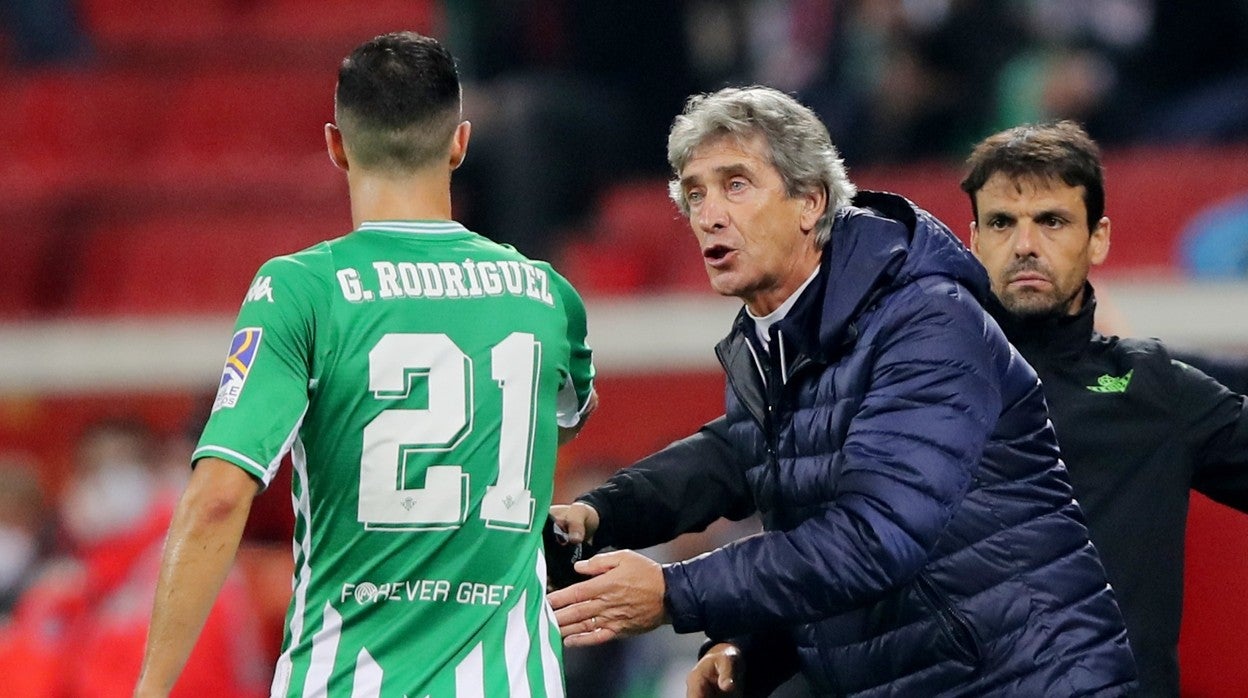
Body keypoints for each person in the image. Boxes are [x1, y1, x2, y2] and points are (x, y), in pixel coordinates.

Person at [546, 86, 1136, 696]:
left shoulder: (927, 319)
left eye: (736, 184)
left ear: (811, 201)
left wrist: (675, 591)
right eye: (695, 194)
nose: (709, 214)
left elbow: (874, 538)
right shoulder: (774, 334)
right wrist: (603, 515)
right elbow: (740, 460)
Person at [134, 31, 597, 697]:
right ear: (460, 144)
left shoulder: (301, 291)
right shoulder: (547, 295)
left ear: (337, 146)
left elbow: (218, 498)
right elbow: (567, 418)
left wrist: (150, 689)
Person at [959, 120, 1248, 697]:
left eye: (1052, 221)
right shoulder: (913, 387)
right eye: (1002, 222)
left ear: (1098, 238)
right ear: (975, 240)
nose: (1025, 245)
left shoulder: (1154, 388)